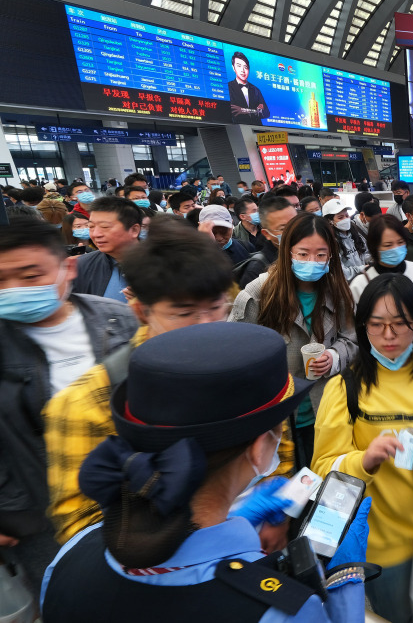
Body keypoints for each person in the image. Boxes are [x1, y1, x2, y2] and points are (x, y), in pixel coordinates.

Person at [41, 322, 368, 622]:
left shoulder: (72, 553)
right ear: (259, 447)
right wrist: (342, 584)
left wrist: (238, 516)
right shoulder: (279, 609)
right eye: (277, 426)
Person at [44, 218, 275, 545]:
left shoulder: (248, 366)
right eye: (184, 313)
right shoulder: (89, 402)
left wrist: (277, 514)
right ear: (142, 311)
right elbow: (81, 525)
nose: (207, 326)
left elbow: (280, 451)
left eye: (216, 308)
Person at [312, 274, 413, 623]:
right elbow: (324, 463)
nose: (388, 336)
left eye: (400, 324)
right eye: (377, 325)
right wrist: (363, 460)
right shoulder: (345, 388)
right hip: (383, 543)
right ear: (362, 325)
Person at [0, 217, 137, 599]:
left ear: (68, 268)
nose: (13, 290)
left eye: (30, 276)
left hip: (133, 498)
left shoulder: (118, 319)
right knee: (72, 597)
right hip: (40, 518)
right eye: (1, 280)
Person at [231, 213, 357, 467]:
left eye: (321, 255)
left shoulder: (337, 290)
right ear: (288, 251)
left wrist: (333, 357)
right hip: (277, 415)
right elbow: (234, 350)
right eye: (303, 254)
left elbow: (352, 339)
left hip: (325, 410)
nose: (312, 261)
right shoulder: (259, 293)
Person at [350, 215, 413, 332]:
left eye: (400, 242)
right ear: (374, 247)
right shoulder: (361, 283)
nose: (396, 248)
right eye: (388, 245)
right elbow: (354, 325)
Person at [73, 197, 142, 302]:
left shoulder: (166, 263)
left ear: (134, 230)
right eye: (91, 226)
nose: (96, 234)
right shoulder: (82, 265)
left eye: (105, 227)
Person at [236, 196, 297, 289]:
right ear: (266, 233)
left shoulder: (309, 253)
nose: (292, 231)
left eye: (295, 224)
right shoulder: (257, 270)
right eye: (283, 228)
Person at [323, 200, 369, 282]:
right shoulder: (330, 242)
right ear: (330, 221)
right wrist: (361, 269)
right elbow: (341, 272)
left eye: (347, 215)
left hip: (363, 280)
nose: (346, 219)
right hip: (347, 286)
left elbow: (365, 252)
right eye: (340, 217)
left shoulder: (355, 233)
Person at [228, 51, 270, 124]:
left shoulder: (256, 90)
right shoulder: (228, 87)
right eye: (239, 66)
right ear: (233, 67)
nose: (243, 70)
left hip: (258, 131)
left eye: (245, 67)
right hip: (236, 129)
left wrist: (243, 110)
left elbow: (266, 113)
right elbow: (231, 112)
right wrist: (256, 111)